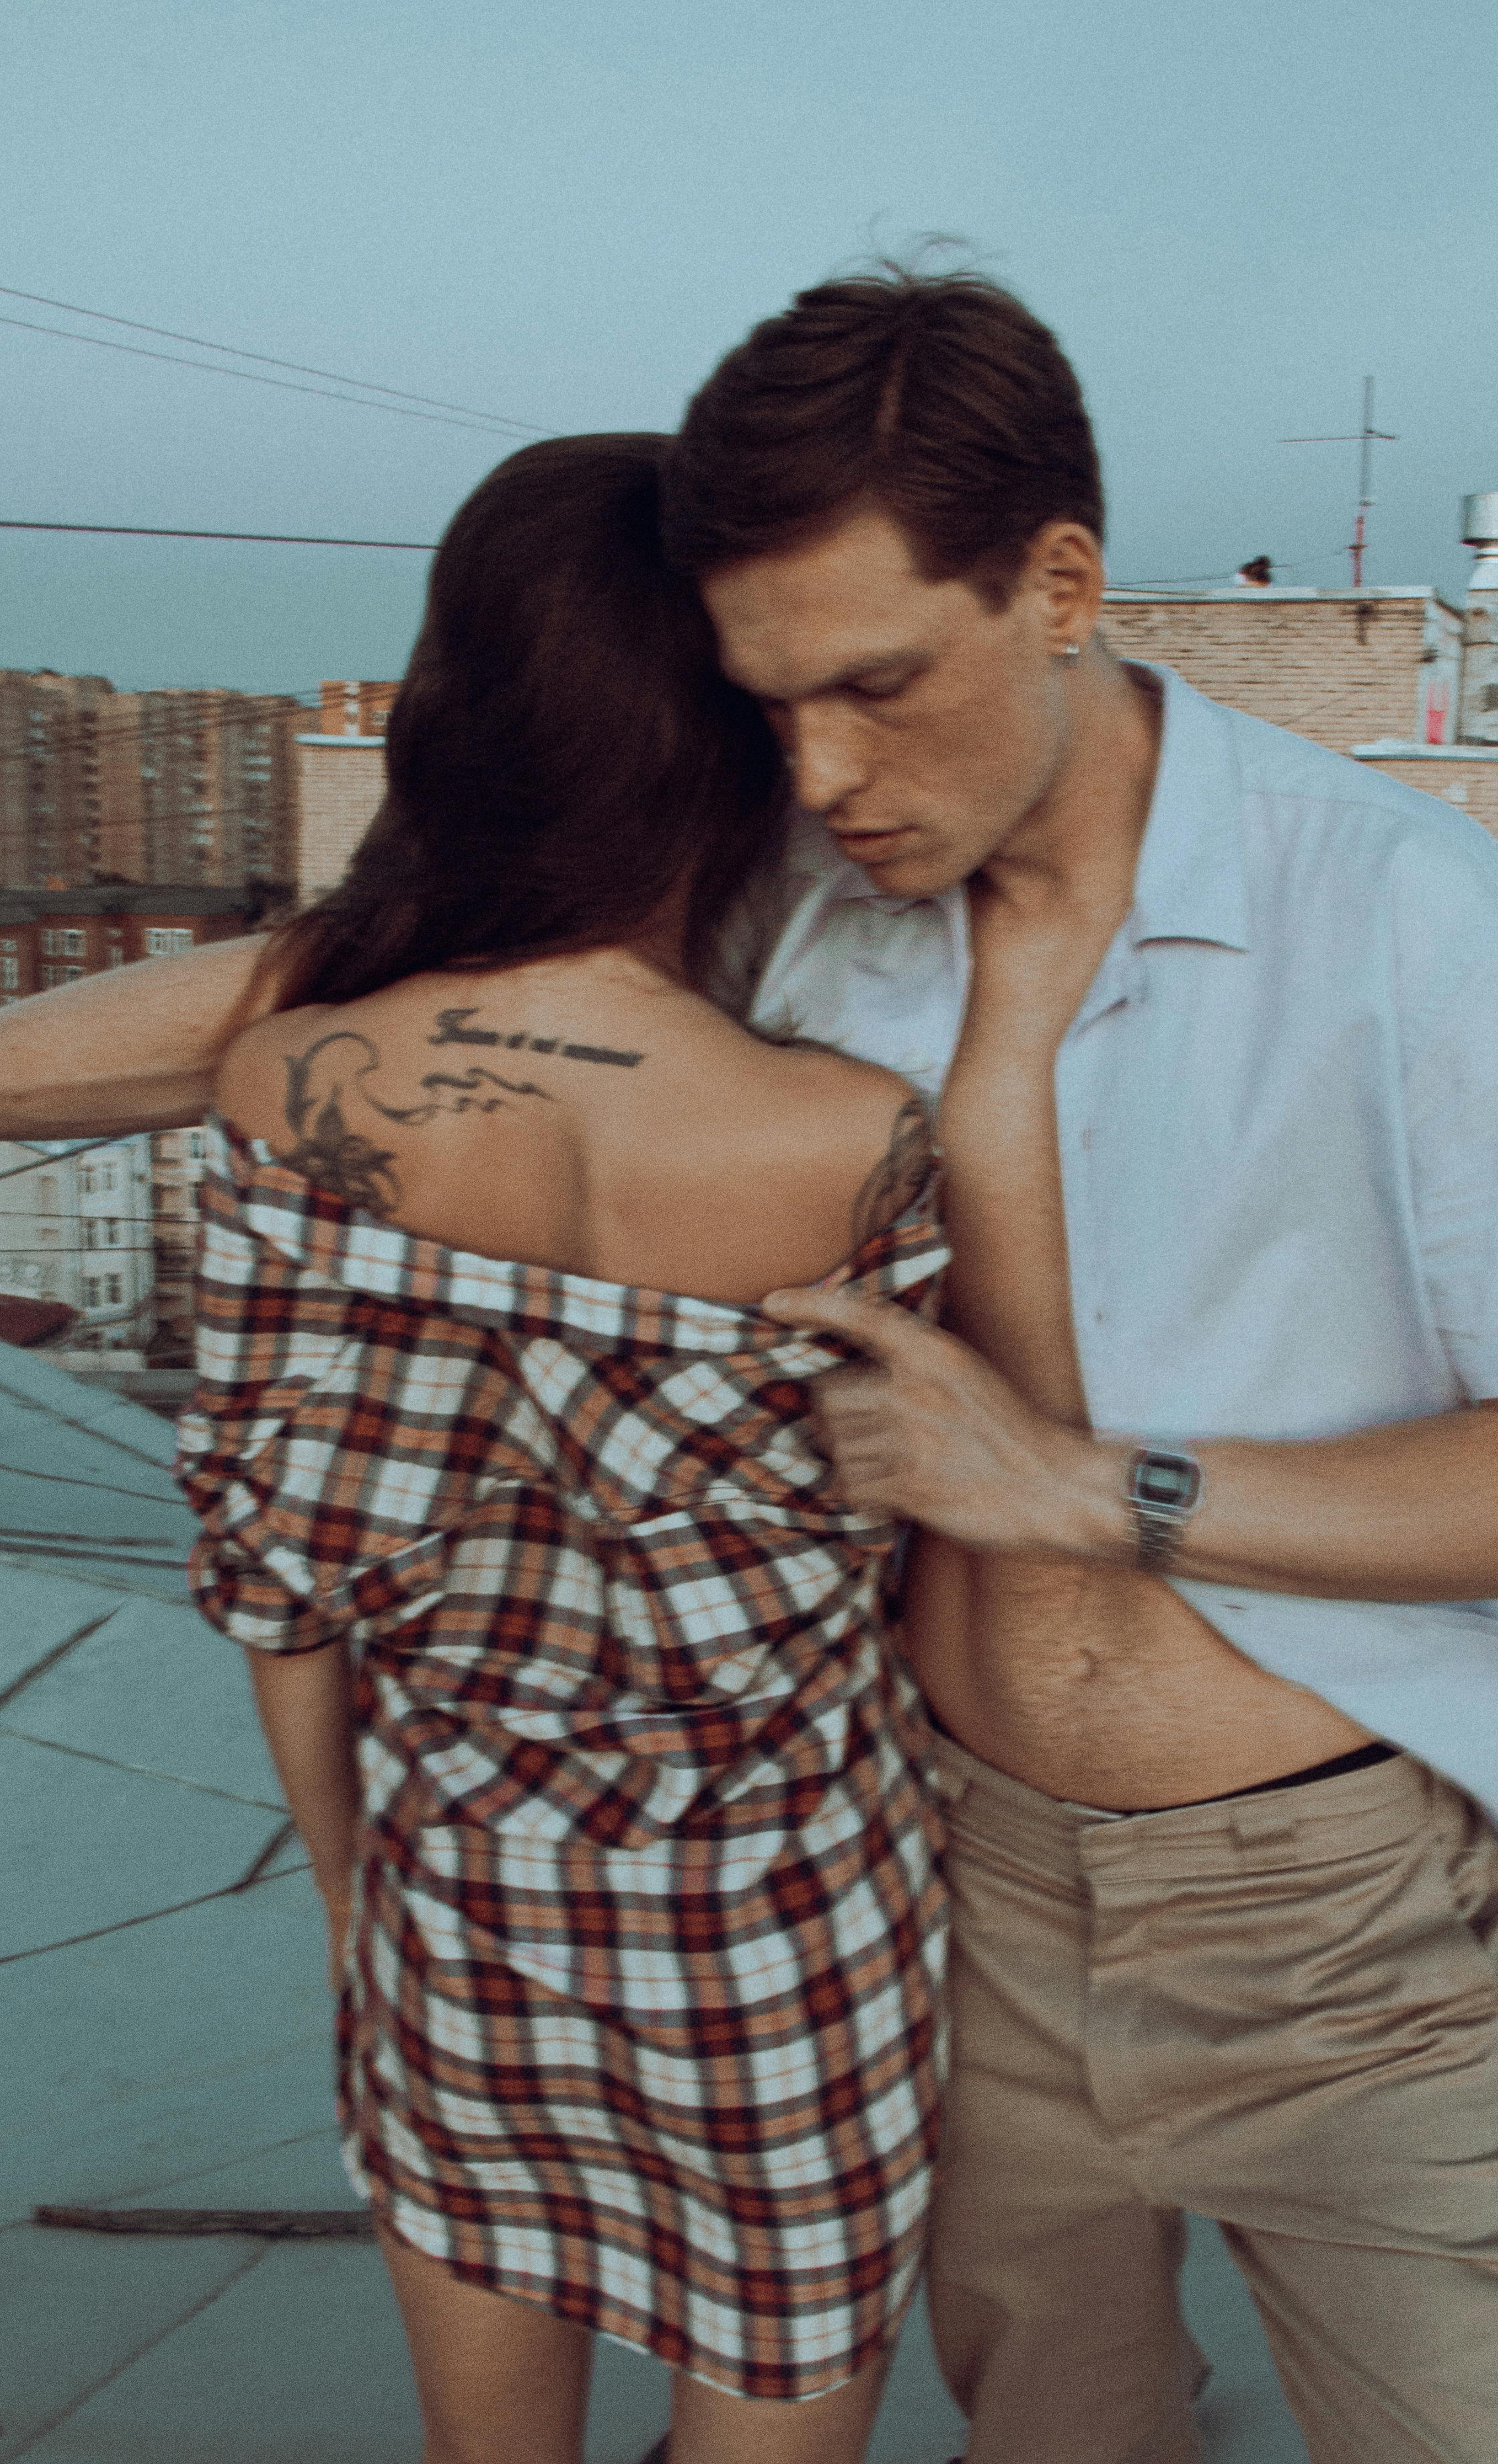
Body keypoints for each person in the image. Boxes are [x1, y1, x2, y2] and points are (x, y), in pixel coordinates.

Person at [4, 270, 1498, 2462]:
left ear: (1059, 584)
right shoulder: (804, 873)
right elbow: (358, 996)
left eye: (874, 683)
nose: (824, 771)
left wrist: (1104, 1489)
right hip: (938, 1885)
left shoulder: (1409, 913)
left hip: (1315, 1915)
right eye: (768, 707)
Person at [170, 433, 951, 2464]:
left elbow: (276, 1574)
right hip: (790, 1924)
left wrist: (359, 1898)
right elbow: (944, 1548)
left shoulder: (284, 1077)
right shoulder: (852, 1137)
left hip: (464, 1896)